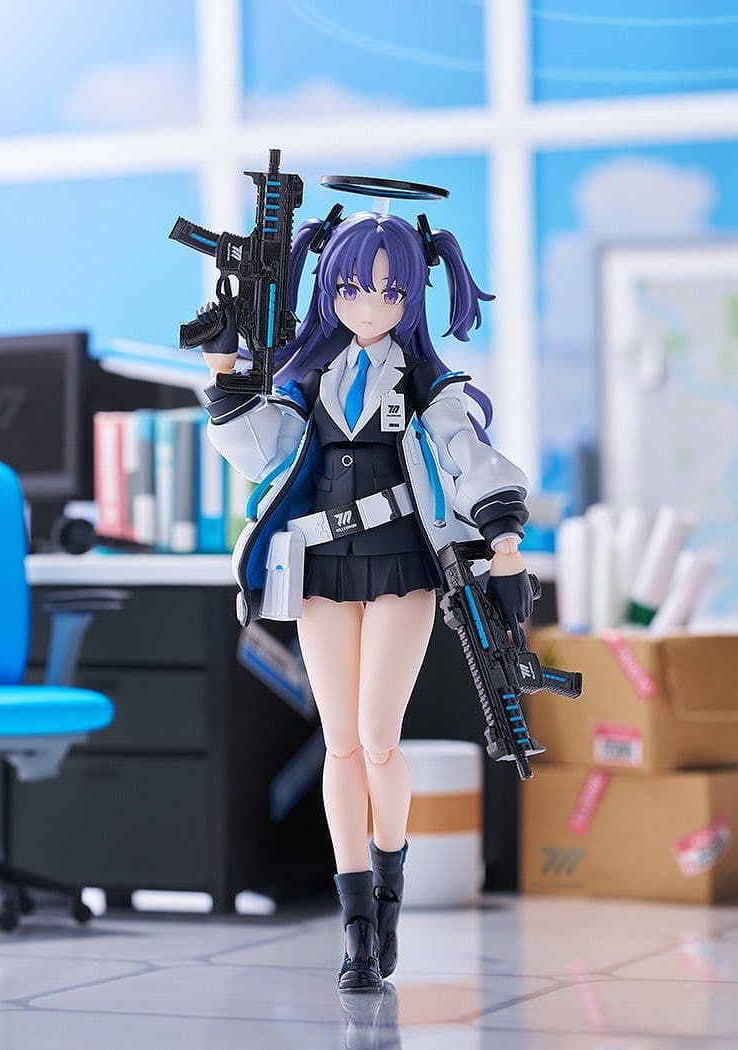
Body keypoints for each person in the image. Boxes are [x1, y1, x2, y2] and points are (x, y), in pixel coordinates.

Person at [199, 209, 533, 991]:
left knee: (380, 739)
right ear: (329, 289)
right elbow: (263, 450)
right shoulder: (310, 377)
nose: (370, 304)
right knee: (341, 742)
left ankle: (387, 901)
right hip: (321, 565)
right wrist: (225, 367)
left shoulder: (423, 381)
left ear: (412, 295)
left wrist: (505, 540)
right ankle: (355, 928)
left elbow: (466, 451)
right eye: (352, 287)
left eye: (389, 290)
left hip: (400, 566)